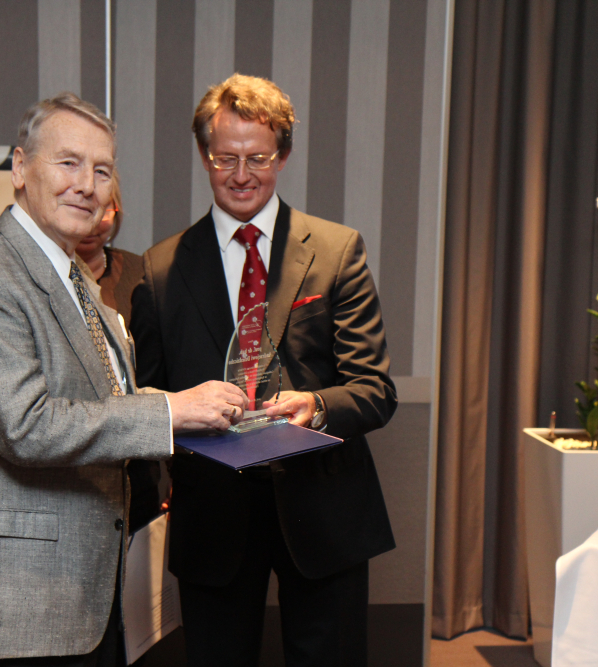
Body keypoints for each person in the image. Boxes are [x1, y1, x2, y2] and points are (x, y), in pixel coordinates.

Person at [0, 92, 248, 666]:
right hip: (15, 604)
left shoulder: (73, 275)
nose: (87, 186)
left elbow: (105, 399)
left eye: (101, 170)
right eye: (68, 163)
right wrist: (171, 413)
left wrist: (190, 406)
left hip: (85, 594)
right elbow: (27, 427)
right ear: (20, 168)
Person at [130, 74, 398, 667]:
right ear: (204, 155)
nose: (241, 174)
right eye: (225, 158)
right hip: (211, 513)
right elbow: (148, 400)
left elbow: (376, 390)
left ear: (284, 155)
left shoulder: (337, 251)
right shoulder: (160, 270)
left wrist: (316, 406)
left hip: (323, 507)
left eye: (258, 158)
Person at [75, 173, 159, 533]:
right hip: (74, 457)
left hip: (138, 461)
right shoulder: (46, 280)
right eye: (85, 208)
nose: (94, 222)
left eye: (105, 210)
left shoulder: (143, 274)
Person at [75, 173, 144, 325]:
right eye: (81, 209)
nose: (92, 224)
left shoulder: (140, 275)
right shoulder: (37, 274)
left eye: (103, 210)